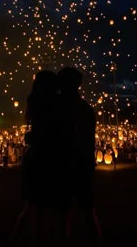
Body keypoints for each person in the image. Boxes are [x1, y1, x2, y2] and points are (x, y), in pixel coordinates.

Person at [13, 70, 70, 247]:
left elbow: (34, 135)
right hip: (53, 160)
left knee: (33, 207)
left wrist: (32, 138)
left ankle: (26, 239)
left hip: (36, 160)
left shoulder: (34, 103)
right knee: (54, 209)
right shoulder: (58, 105)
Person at [57, 66, 100, 246]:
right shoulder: (86, 109)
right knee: (87, 212)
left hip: (67, 166)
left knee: (64, 213)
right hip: (83, 167)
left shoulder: (61, 109)